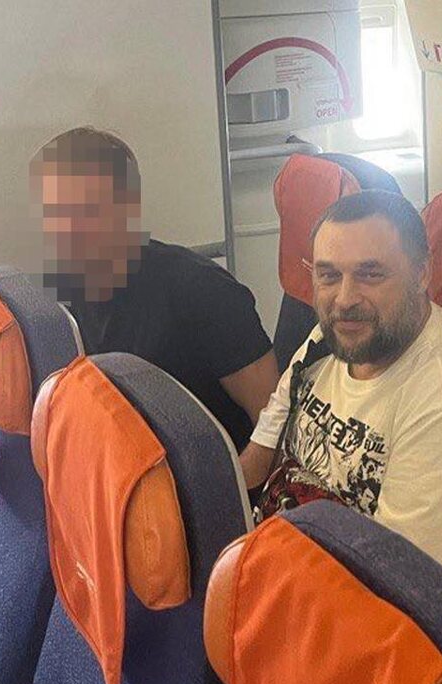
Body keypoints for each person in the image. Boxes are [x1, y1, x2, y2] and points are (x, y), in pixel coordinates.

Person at [239, 190, 442, 570]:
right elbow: (260, 454)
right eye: (328, 275)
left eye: (370, 274)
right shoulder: (331, 338)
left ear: (422, 274)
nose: (344, 299)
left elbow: (393, 581)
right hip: (270, 555)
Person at [30, 127, 277, 450]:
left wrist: (233, 482)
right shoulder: (69, 298)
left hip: (211, 473)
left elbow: (273, 424)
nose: (66, 229)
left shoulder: (202, 290)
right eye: (55, 212)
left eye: (83, 210)